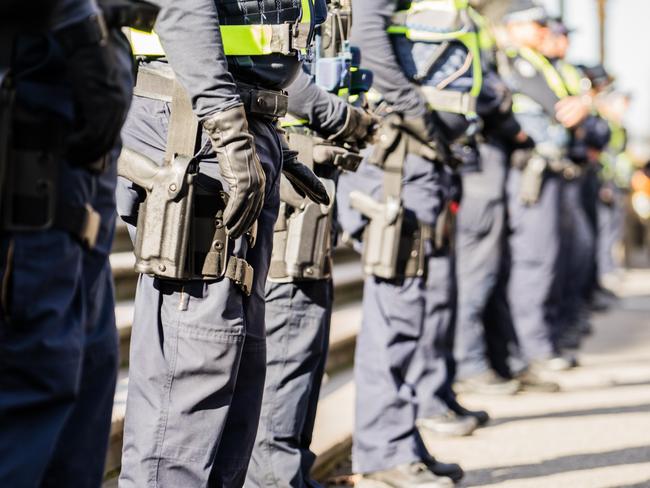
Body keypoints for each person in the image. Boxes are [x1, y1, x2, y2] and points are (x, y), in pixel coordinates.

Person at [117, 0, 330, 486]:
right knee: (193, 370)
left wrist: (266, 139)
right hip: (199, 128)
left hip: (239, 120)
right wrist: (230, 132)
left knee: (238, 367)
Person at [335, 0, 491, 484]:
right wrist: (416, 111)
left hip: (421, 159)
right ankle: (385, 452)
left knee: (409, 311)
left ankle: (401, 441)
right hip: (401, 160)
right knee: (397, 313)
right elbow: (367, 33)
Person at [0, 0, 137, 486]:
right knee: (35, 383)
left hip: (82, 159)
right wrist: (78, 24)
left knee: (86, 386)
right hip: (36, 129)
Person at [245, 7, 379, 483]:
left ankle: (291, 471)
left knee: (306, 333)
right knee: (289, 329)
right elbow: (277, 69)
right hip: (291, 163)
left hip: (315, 166)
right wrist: (340, 115)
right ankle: (276, 476)